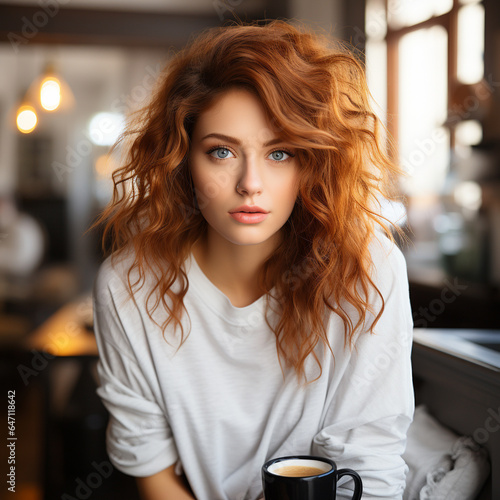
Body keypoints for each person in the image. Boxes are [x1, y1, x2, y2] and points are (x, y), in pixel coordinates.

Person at [92, 20, 414, 500]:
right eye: (221, 152)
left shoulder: (368, 267)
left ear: (313, 161)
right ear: (182, 160)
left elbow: (369, 470)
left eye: (279, 153)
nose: (250, 184)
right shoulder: (127, 285)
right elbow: (152, 469)